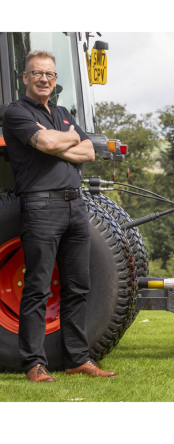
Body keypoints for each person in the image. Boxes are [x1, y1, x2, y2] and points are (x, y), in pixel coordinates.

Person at [2, 50, 116, 382]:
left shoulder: (63, 111)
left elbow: (89, 150)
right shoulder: (16, 113)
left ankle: (77, 358)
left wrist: (58, 143)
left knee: (78, 286)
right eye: (37, 73)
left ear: (55, 80)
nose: (44, 79)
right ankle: (34, 363)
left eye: (50, 75)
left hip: (75, 205)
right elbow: (52, 141)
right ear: (25, 78)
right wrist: (67, 140)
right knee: (37, 286)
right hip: (41, 206)